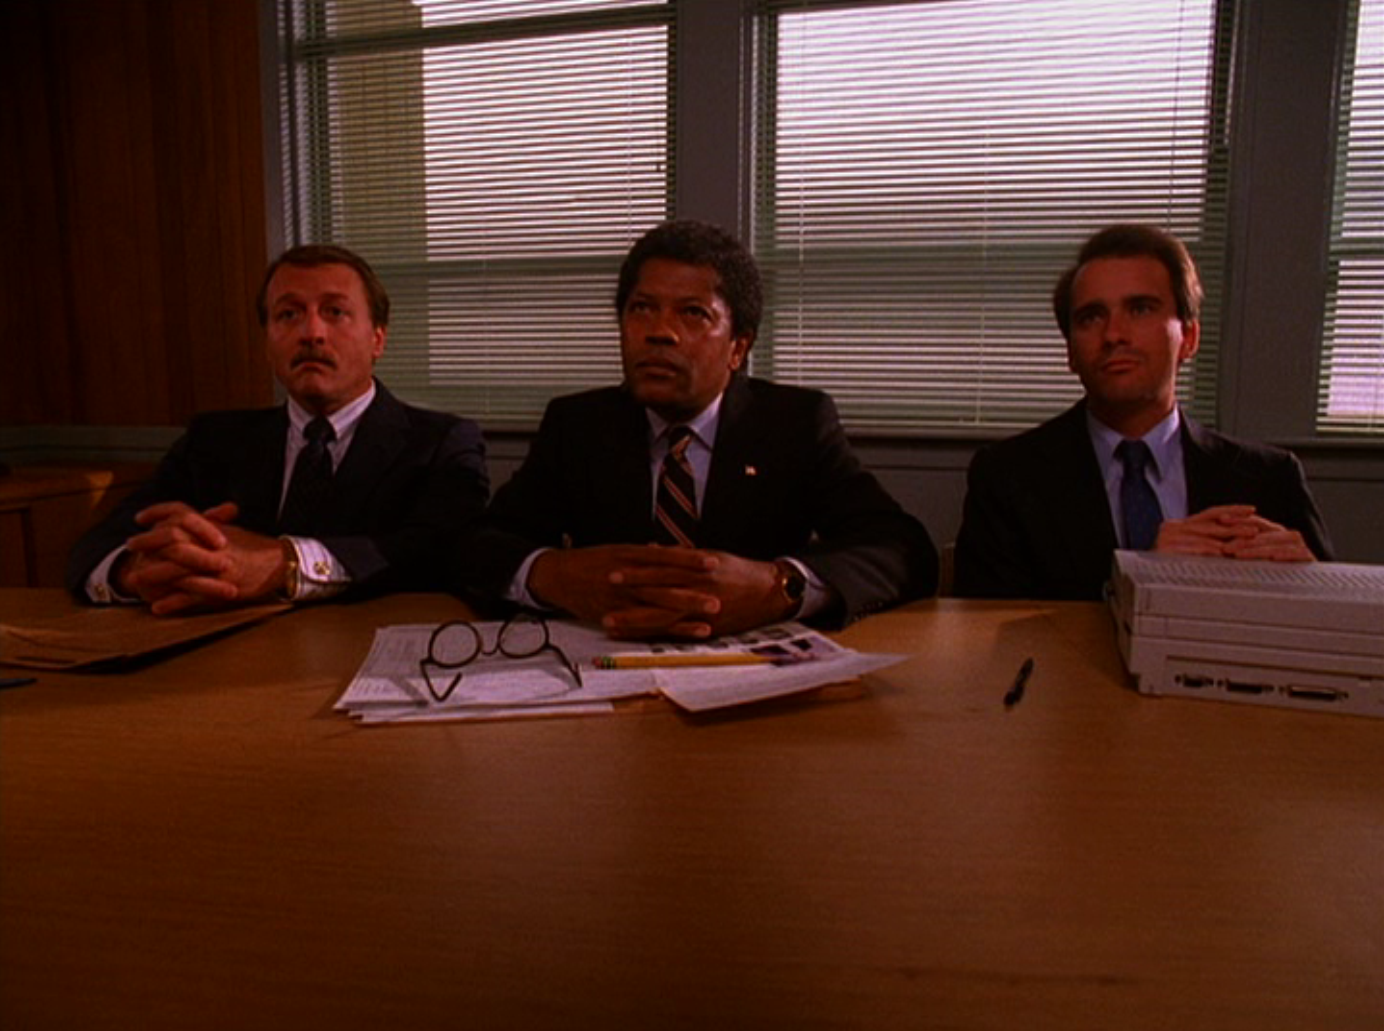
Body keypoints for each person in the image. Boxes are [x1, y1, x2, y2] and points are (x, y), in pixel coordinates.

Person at [457, 219, 938, 639]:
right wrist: (552, 575)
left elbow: (902, 549)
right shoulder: (579, 425)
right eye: (641, 308)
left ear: (738, 347)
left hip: (749, 678)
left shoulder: (793, 423)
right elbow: (478, 545)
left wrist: (779, 587)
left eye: (692, 313)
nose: (659, 332)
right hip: (606, 668)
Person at [67, 244, 489, 613]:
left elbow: (440, 555)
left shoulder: (439, 444)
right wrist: (138, 572)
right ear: (268, 340)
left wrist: (284, 563)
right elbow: (96, 545)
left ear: (377, 339)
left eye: (335, 312)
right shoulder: (212, 440)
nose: (312, 333)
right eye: (289, 315)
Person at [954, 224, 1332, 601]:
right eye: (1091, 317)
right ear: (1070, 352)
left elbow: (1336, 622)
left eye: (1140, 309)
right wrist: (1140, 577)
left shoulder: (1269, 479)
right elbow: (984, 627)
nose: (1113, 334)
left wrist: (1312, 586)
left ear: (1189, 338)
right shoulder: (1007, 478)